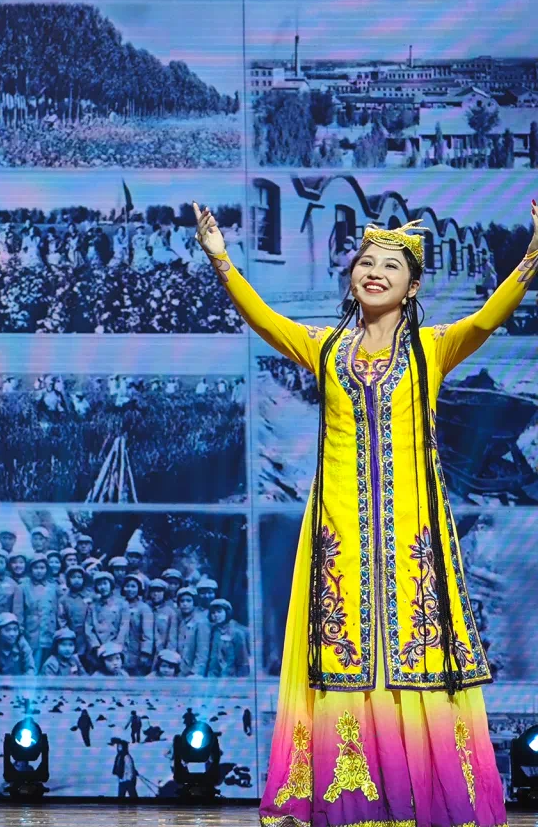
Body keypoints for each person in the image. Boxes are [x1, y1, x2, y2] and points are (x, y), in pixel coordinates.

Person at [194, 203, 536, 827]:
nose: (374, 272)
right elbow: (264, 319)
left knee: (416, 652)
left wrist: (535, 252)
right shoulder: (325, 348)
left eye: (390, 266)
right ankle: (349, 798)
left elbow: (489, 317)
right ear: (351, 278)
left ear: (413, 288)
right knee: (344, 653)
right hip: (340, 533)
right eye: (366, 263)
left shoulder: (432, 348)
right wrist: (221, 257)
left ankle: (423, 797)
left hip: (412, 536)